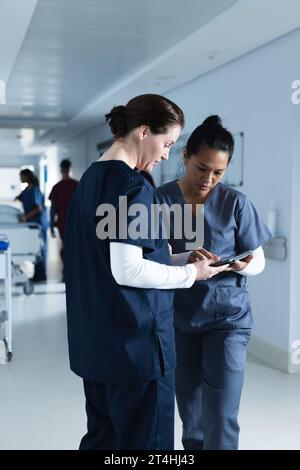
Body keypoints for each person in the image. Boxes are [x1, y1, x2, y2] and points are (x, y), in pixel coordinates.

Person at [64, 95, 228, 450]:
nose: (168, 154)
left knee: (103, 440)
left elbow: (112, 257)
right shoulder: (132, 186)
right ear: (142, 132)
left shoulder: (90, 181)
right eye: (167, 143)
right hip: (136, 349)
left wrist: (182, 260)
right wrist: (192, 276)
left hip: (96, 346)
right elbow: (128, 269)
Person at [155, 115, 272, 450]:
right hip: (178, 320)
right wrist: (184, 260)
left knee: (221, 413)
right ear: (185, 157)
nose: (208, 179)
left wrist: (245, 264)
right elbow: (148, 260)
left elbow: (258, 259)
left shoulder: (235, 203)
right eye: (201, 168)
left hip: (228, 320)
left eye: (218, 172)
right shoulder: (160, 201)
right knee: (192, 415)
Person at [15, 169, 48, 282]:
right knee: (34, 248)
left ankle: (41, 276)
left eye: (21, 176)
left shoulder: (35, 190)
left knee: (40, 249)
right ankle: (37, 275)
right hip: (32, 224)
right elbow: (20, 197)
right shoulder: (26, 190)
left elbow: (38, 208)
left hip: (39, 223)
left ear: (27, 177)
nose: (20, 178)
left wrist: (25, 217)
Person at [49, 159, 78, 271]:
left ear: (61, 170)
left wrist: (51, 226)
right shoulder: (77, 185)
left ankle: (67, 269)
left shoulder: (57, 187)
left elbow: (53, 209)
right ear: (70, 169)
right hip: (75, 223)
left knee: (65, 246)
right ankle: (72, 269)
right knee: (74, 246)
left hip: (63, 223)